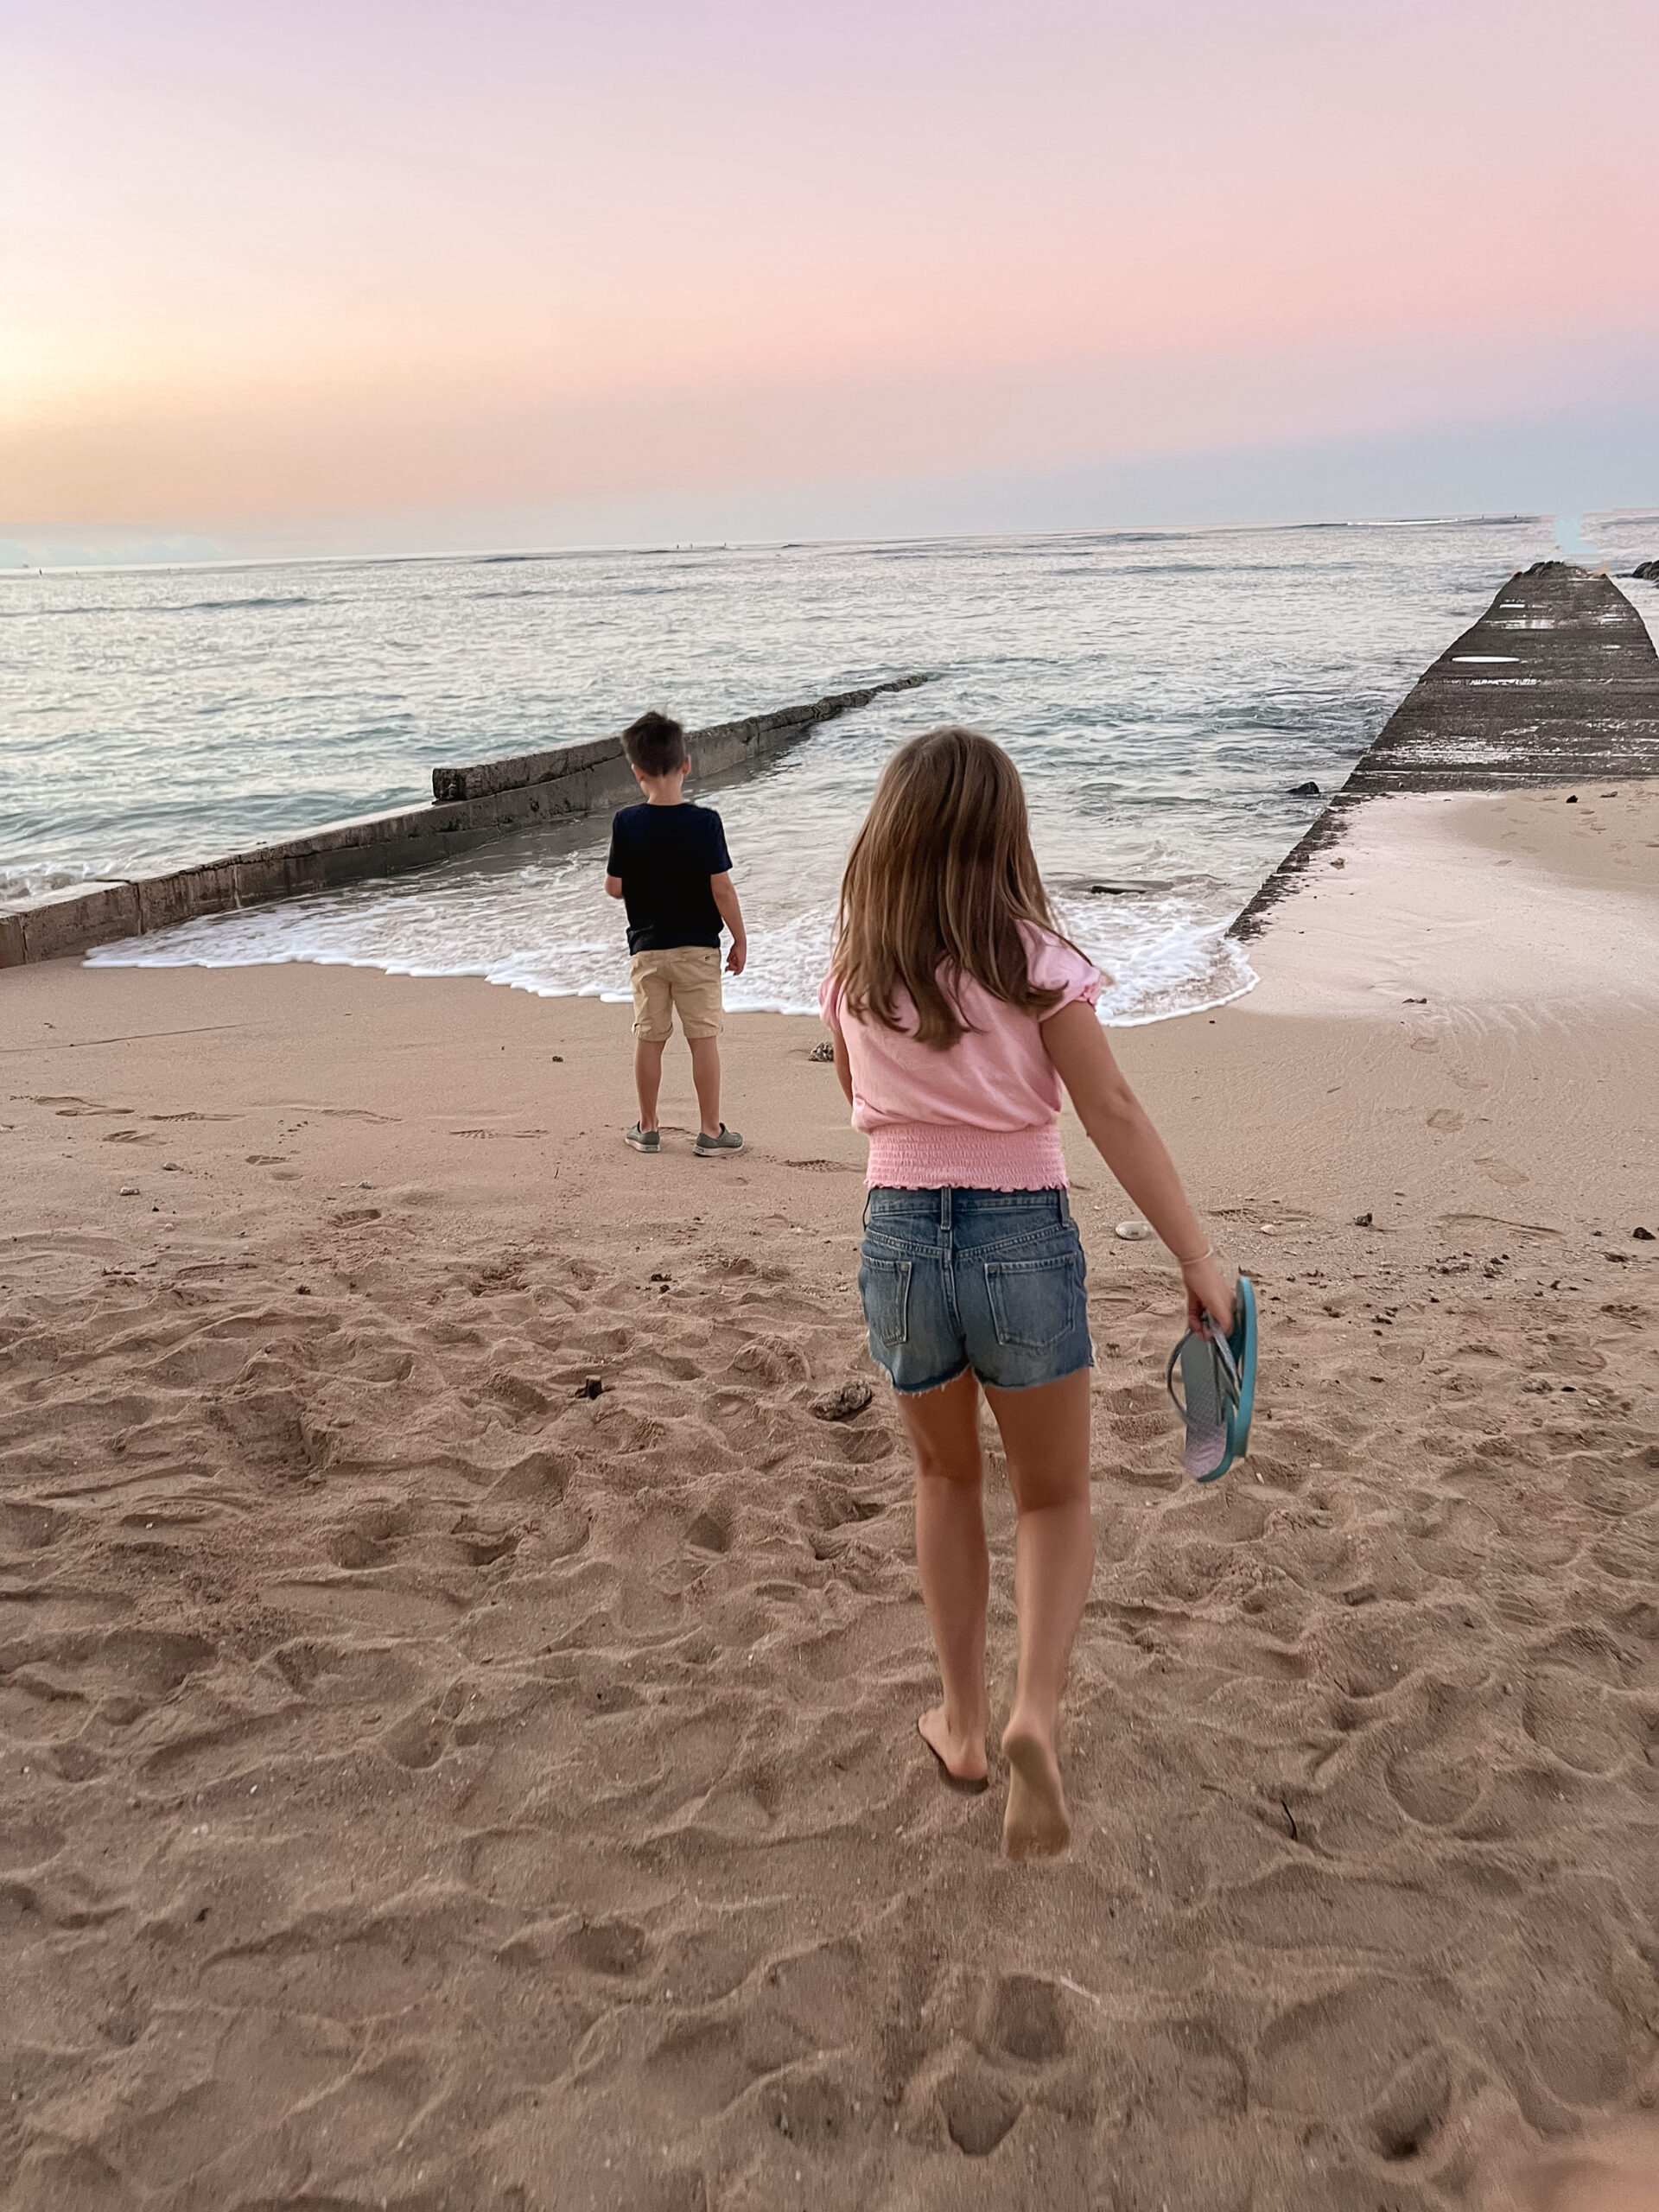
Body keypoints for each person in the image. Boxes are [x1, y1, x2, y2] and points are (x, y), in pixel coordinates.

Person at [818, 728, 1234, 1859]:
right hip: (1020, 1241)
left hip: (900, 1239)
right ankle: (1033, 1716)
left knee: (944, 1475)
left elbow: (862, 1095)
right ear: (1006, 834)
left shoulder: (856, 969)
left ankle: (959, 1720)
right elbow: (1113, 1112)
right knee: (1052, 1497)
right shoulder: (1036, 960)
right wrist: (1196, 1259)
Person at [605, 709, 747, 1156]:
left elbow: (614, 888)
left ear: (636, 772)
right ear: (686, 764)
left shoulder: (625, 823)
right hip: (699, 951)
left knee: (650, 1038)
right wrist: (740, 939)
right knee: (703, 1039)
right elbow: (721, 887)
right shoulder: (705, 823)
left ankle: (647, 1128)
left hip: (647, 951)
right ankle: (710, 1131)